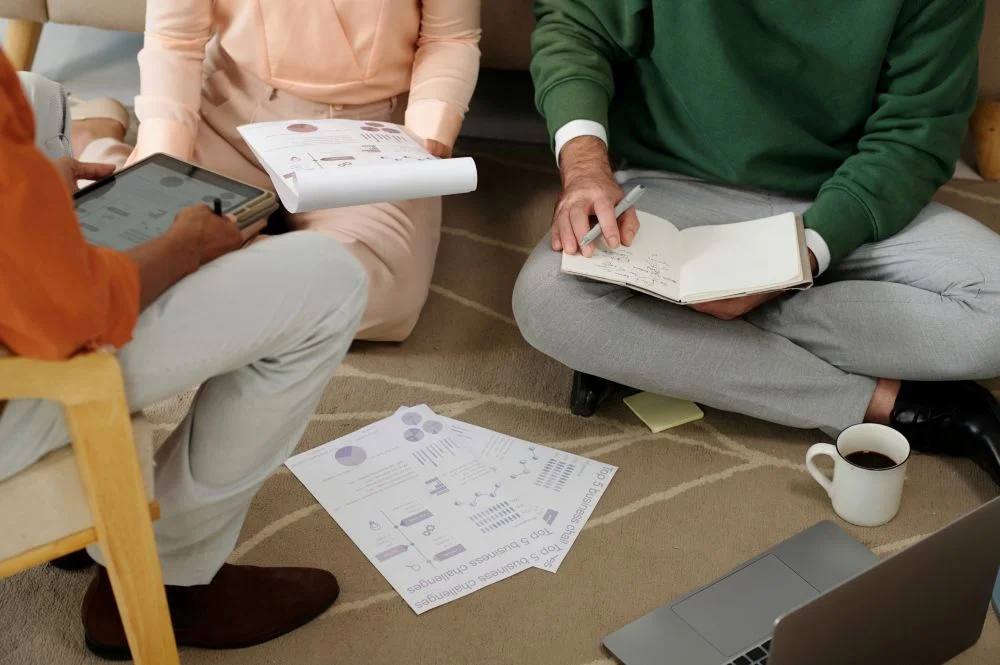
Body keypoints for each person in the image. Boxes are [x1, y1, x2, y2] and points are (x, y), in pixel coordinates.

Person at [512, 0, 1000, 482]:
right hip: (676, 186)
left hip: (846, 193)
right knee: (548, 299)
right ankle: (883, 404)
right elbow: (576, 22)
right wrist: (584, 167)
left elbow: (915, 138)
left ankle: (652, 333)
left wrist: (801, 255)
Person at [1, 58, 369, 658]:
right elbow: (70, 316)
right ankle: (166, 579)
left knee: (35, 97)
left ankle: (78, 516)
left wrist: (32, 200)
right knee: (329, 282)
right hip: (17, 382)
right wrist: (180, 248)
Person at [82, 0, 482, 342]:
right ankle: (99, 141)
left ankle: (216, 254)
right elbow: (175, 40)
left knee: (382, 294)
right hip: (230, 111)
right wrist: (161, 166)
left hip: (369, 133)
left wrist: (428, 137)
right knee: (114, 238)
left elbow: (450, 38)